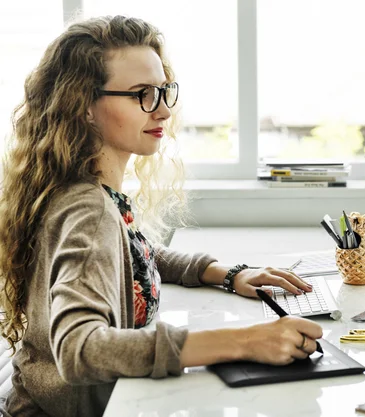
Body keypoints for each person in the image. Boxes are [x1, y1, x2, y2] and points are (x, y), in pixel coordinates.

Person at [0, 15, 322, 417]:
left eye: (164, 91)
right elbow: (79, 348)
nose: (164, 111)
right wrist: (244, 341)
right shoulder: (87, 208)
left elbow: (134, 255)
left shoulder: (89, 191)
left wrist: (226, 272)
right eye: (143, 95)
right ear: (82, 105)